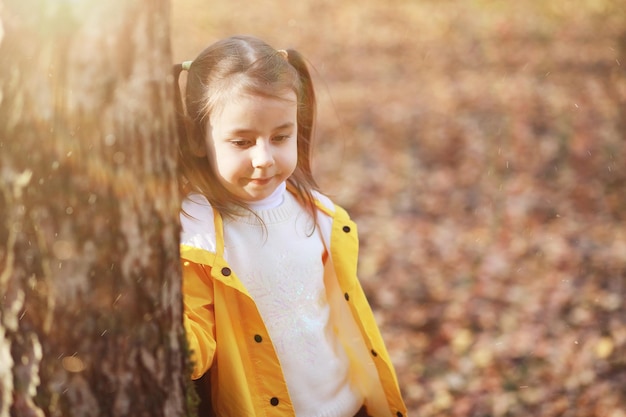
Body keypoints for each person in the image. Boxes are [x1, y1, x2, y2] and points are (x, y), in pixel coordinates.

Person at [173, 35, 407, 417]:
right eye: (242, 141)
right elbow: (194, 336)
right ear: (198, 139)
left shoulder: (321, 215)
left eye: (281, 137)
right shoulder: (197, 236)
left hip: (352, 408)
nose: (264, 158)